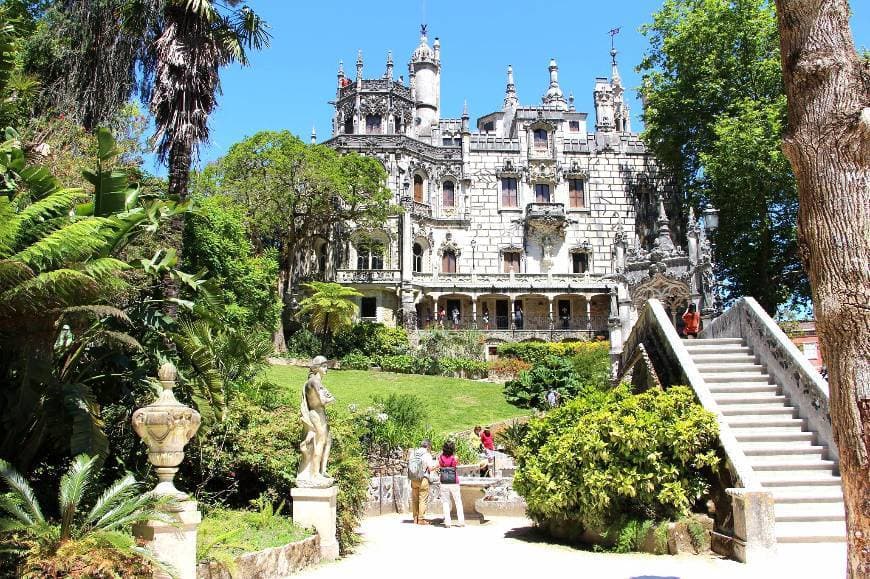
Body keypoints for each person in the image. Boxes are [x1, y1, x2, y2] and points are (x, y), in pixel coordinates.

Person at [408, 439, 437, 525]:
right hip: (423, 479)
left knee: (415, 499)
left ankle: (415, 518)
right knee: (423, 499)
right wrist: (437, 465)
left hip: (413, 478)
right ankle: (421, 519)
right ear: (428, 446)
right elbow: (431, 468)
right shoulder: (427, 454)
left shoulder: (413, 453)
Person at [438, 440, 465, 527]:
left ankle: (447, 522)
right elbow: (455, 465)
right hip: (454, 481)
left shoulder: (441, 457)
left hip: (444, 481)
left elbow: (441, 466)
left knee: (445, 502)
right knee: (458, 501)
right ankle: (461, 522)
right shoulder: (455, 458)